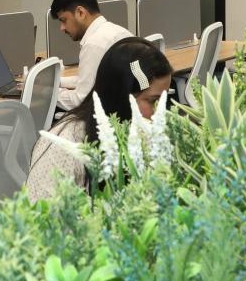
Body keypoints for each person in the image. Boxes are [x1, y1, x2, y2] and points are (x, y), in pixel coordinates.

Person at [26, 38, 174, 201]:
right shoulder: (64, 146)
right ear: (124, 97)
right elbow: (43, 211)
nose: (161, 112)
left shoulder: (139, 132)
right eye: (153, 101)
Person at [51, 0, 134, 111]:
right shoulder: (117, 31)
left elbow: (80, 100)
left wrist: (47, 93)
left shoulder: (94, 44)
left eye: (63, 20)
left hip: (111, 115)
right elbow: (89, 81)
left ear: (80, 13)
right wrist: (55, 83)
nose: (62, 28)